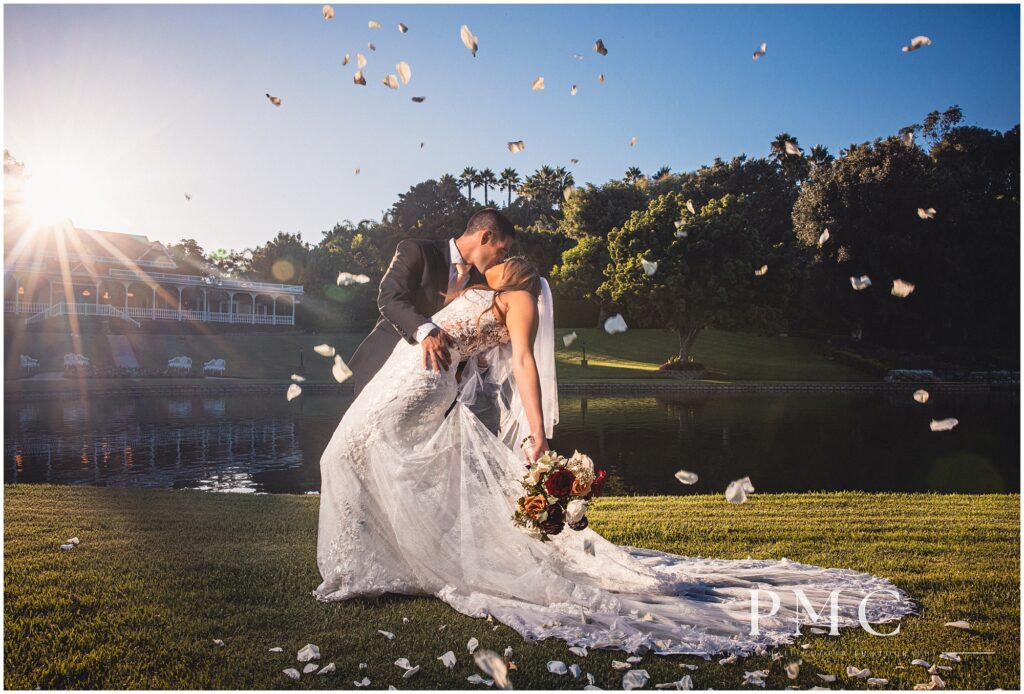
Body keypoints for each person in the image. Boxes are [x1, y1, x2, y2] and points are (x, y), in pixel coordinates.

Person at [314, 257, 914, 657]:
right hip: (415, 371)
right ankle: (380, 562)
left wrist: (539, 434)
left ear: (519, 274)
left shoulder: (519, 300)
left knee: (345, 456)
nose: (487, 262)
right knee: (367, 461)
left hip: (420, 381)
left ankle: (361, 569)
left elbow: (522, 362)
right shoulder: (486, 290)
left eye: (497, 258)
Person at [346, 208, 516, 396]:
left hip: (434, 386)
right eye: (501, 251)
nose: (501, 260)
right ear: (485, 237)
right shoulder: (416, 250)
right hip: (382, 369)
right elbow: (389, 297)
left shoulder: (482, 284)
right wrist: (427, 332)